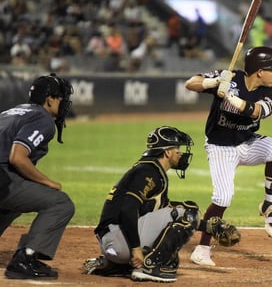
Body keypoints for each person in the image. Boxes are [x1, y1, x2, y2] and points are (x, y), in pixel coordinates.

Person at [83, 126, 239, 283]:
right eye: (177, 148)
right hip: (119, 240)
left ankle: (115, 266)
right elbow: (128, 209)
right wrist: (136, 249)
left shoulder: (150, 169)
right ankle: (151, 266)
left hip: (114, 241)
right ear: (167, 152)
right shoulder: (149, 172)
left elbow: (164, 211)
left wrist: (208, 227)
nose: (181, 153)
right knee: (188, 212)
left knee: (180, 212)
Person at [184, 46, 272, 266]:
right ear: (259, 71)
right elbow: (190, 83)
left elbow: (257, 111)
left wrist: (230, 97)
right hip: (220, 147)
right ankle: (201, 250)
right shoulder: (229, 77)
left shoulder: (271, 92)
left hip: (246, 142)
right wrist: (212, 83)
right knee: (222, 198)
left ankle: (270, 204)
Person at [0, 73, 75, 280]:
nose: (64, 103)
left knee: (10, 205)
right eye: (62, 98)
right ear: (50, 99)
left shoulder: (10, 112)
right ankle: (25, 259)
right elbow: (17, 157)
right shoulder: (43, 118)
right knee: (60, 203)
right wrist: (47, 182)